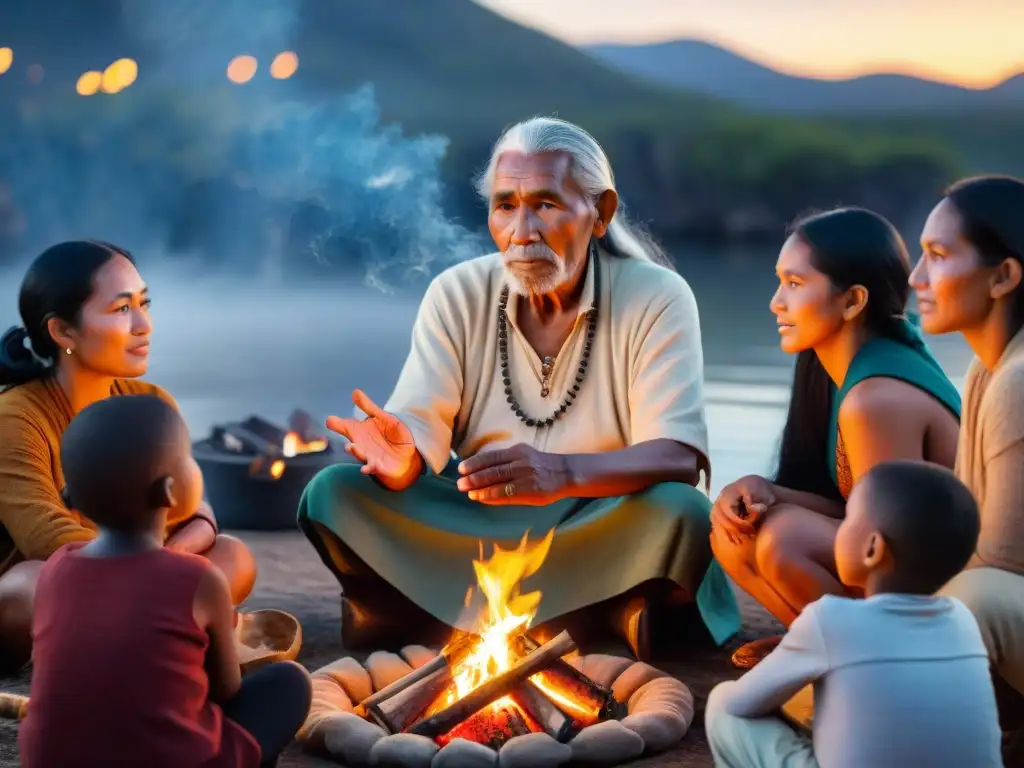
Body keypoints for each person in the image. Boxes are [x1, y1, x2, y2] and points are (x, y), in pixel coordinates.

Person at [297, 116, 740, 659]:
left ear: (600, 213)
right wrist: (404, 456)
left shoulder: (657, 295)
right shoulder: (456, 292)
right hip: (476, 520)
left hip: (597, 520)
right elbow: (420, 425)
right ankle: (598, 616)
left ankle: (425, 614)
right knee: (335, 492)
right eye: (505, 205)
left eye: (546, 205)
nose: (522, 230)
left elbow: (677, 457)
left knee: (682, 512)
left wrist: (562, 473)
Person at [710, 208, 961, 668]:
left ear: (852, 302)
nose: (775, 302)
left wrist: (782, 508)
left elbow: (890, 547)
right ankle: (812, 642)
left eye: (795, 283)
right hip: (885, 562)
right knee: (733, 531)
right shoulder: (833, 372)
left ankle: (860, 661)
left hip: (935, 597)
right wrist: (765, 490)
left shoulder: (876, 399)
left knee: (783, 536)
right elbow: (857, 512)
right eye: (779, 280)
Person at [0, 240, 257, 671]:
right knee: (28, 588)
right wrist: (160, 570)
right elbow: (45, 536)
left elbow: (186, 506)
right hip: (69, 582)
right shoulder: (15, 415)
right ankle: (166, 629)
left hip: (139, 576)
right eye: (122, 309)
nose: (144, 325)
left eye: (144, 304)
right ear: (63, 331)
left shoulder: (153, 402)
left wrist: (191, 534)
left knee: (233, 558)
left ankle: (135, 633)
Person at [20, 394, 311, 768]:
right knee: (290, 683)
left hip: (51, 758)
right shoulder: (198, 578)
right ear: (170, 491)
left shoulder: (56, 570)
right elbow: (226, 689)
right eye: (187, 458)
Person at [705, 460, 1002, 768]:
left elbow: (743, 703)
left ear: (872, 548)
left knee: (723, 705)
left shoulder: (829, 618)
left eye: (847, 520)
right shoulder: (965, 622)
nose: (839, 527)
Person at [910, 175, 1024, 735]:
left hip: (1001, 600)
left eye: (937, 256)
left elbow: (1000, 565)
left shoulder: (1019, 380)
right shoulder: (987, 369)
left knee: (973, 597)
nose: (916, 279)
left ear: (1003, 276)